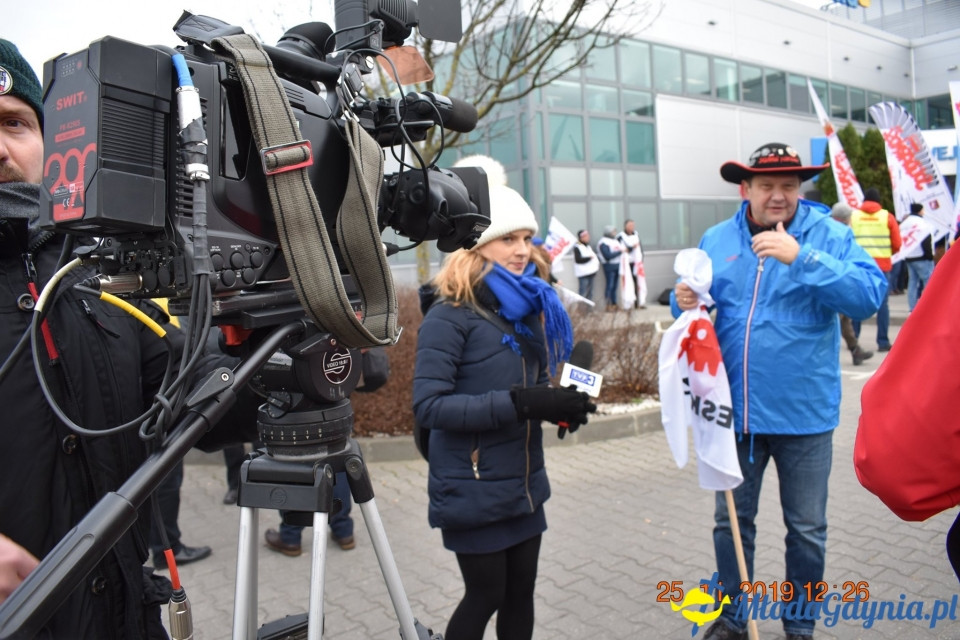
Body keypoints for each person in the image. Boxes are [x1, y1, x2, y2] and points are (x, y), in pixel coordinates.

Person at [0, 39, 257, 638]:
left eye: (15, 124)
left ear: (51, 141)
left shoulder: (100, 274)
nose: (1, 149)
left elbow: (195, 394)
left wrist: (283, 356)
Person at [673, 142, 885, 640]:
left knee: (806, 531)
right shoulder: (717, 236)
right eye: (767, 185)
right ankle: (731, 618)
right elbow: (699, 306)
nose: (778, 196)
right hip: (735, 414)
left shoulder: (828, 235)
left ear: (800, 190)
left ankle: (800, 626)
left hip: (803, 415)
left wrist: (803, 257)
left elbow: (869, 295)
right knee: (731, 525)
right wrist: (683, 299)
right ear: (745, 189)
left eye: (789, 186)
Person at [413, 155, 595, 640]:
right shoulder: (448, 316)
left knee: (521, 595)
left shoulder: (528, 306)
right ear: (476, 244)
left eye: (526, 238)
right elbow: (429, 408)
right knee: (486, 596)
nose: (521, 250)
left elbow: (533, 390)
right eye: (508, 238)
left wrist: (563, 407)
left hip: (523, 483)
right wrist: (525, 403)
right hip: (472, 484)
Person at [850, 187, 901, 352]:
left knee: (857, 301)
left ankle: (855, 340)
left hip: (858, 265)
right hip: (882, 266)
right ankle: (883, 341)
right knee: (882, 305)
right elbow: (897, 243)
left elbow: (846, 239)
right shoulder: (887, 217)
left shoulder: (854, 216)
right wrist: (887, 253)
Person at [829, 202, 873, 366]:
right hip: (838, 282)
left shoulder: (826, 230)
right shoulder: (842, 233)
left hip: (835, 282)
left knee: (844, 320)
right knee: (834, 319)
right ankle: (852, 351)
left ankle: (856, 350)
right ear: (847, 219)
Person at [899, 202, 935, 311]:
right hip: (922, 256)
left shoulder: (904, 224)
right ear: (920, 210)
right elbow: (926, 240)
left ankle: (912, 307)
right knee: (929, 282)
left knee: (912, 282)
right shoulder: (922, 223)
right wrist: (929, 255)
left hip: (909, 256)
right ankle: (931, 306)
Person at [616, 219, 646, 307]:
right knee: (627, 283)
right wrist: (633, 247)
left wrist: (641, 259)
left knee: (638, 282)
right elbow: (624, 249)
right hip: (626, 263)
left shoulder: (636, 235)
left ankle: (639, 302)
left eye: (633, 226)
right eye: (630, 226)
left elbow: (640, 249)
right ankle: (628, 303)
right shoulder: (620, 237)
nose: (632, 227)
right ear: (625, 226)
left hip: (636, 263)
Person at [596, 225, 623, 310]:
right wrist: (620, 252)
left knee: (615, 286)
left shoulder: (615, 241)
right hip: (609, 266)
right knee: (610, 285)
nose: (615, 233)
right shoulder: (603, 242)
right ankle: (608, 304)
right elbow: (607, 256)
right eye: (613, 232)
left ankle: (614, 303)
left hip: (617, 265)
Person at [572, 229, 600, 301]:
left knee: (590, 293)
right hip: (583, 274)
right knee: (583, 293)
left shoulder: (587, 246)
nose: (588, 238)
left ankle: (588, 310)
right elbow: (578, 260)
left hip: (590, 273)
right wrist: (589, 258)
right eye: (586, 236)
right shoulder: (577, 247)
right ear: (581, 237)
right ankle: (582, 310)